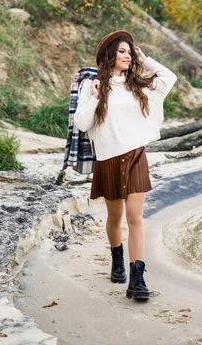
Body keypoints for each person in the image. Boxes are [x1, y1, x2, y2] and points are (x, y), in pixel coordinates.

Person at [73, 30, 177, 300]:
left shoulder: (137, 85)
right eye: (122, 51)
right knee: (115, 216)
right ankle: (117, 258)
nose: (128, 55)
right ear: (110, 55)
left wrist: (146, 60)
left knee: (135, 217)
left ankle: (137, 280)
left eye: (130, 52)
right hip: (108, 158)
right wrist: (95, 96)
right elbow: (82, 123)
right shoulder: (93, 85)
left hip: (135, 157)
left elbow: (169, 78)